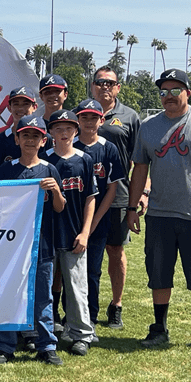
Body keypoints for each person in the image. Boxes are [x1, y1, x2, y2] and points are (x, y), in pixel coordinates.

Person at [127, 68, 191, 356]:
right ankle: (159, 328)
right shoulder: (149, 126)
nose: (169, 97)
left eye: (175, 91)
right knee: (159, 274)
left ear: (187, 92)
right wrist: (132, 207)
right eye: (163, 92)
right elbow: (140, 169)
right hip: (160, 214)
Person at [0, 115, 66, 366]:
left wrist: (55, 190)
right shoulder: (7, 169)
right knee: (8, 294)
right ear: (17, 139)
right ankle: (5, 345)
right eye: (25, 135)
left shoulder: (49, 169)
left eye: (35, 136)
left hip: (41, 245)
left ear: (44, 141)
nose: (30, 140)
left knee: (43, 297)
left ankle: (46, 345)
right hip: (11, 245)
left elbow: (59, 208)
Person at [43, 110, 97, 356]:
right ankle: (40, 331)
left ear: (76, 131)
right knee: (44, 285)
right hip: (47, 234)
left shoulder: (84, 159)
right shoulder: (43, 160)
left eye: (68, 128)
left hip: (74, 231)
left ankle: (80, 333)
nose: (63, 133)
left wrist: (85, 232)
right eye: (58, 128)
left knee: (76, 286)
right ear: (50, 132)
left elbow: (90, 199)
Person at [92, 66, 142, 330]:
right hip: (83, 193)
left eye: (110, 83)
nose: (105, 87)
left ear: (118, 87)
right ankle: (84, 306)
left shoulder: (129, 117)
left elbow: (142, 160)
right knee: (80, 251)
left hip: (119, 194)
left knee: (115, 250)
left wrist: (141, 194)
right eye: (100, 82)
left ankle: (116, 305)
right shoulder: (82, 111)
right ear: (92, 86)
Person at [72, 99, 124, 332]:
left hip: (99, 220)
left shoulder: (108, 148)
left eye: (94, 117)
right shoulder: (70, 145)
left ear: (101, 120)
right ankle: (69, 315)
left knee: (92, 270)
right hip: (71, 219)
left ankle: (90, 315)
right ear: (78, 120)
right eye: (84, 117)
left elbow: (112, 189)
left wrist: (92, 223)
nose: (89, 122)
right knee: (70, 271)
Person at [0, 87, 39, 167]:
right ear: (9, 108)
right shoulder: (0, 140)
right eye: (16, 104)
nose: (20, 108)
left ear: (35, 107)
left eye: (26, 104)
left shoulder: (43, 138)